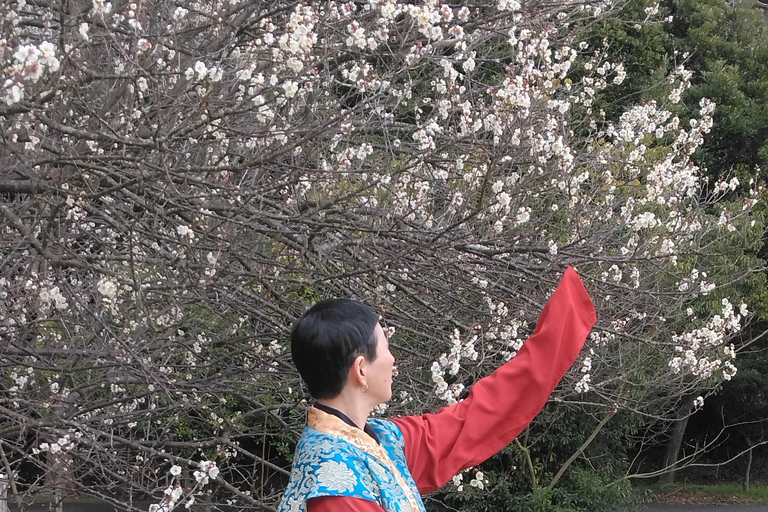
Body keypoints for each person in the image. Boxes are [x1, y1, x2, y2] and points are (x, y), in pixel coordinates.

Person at [278, 267, 597, 512]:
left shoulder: (380, 441)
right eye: (386, 347)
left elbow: (484, 414)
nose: (392, 359)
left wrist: (563, 321)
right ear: (361, 370)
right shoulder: (334, 489)